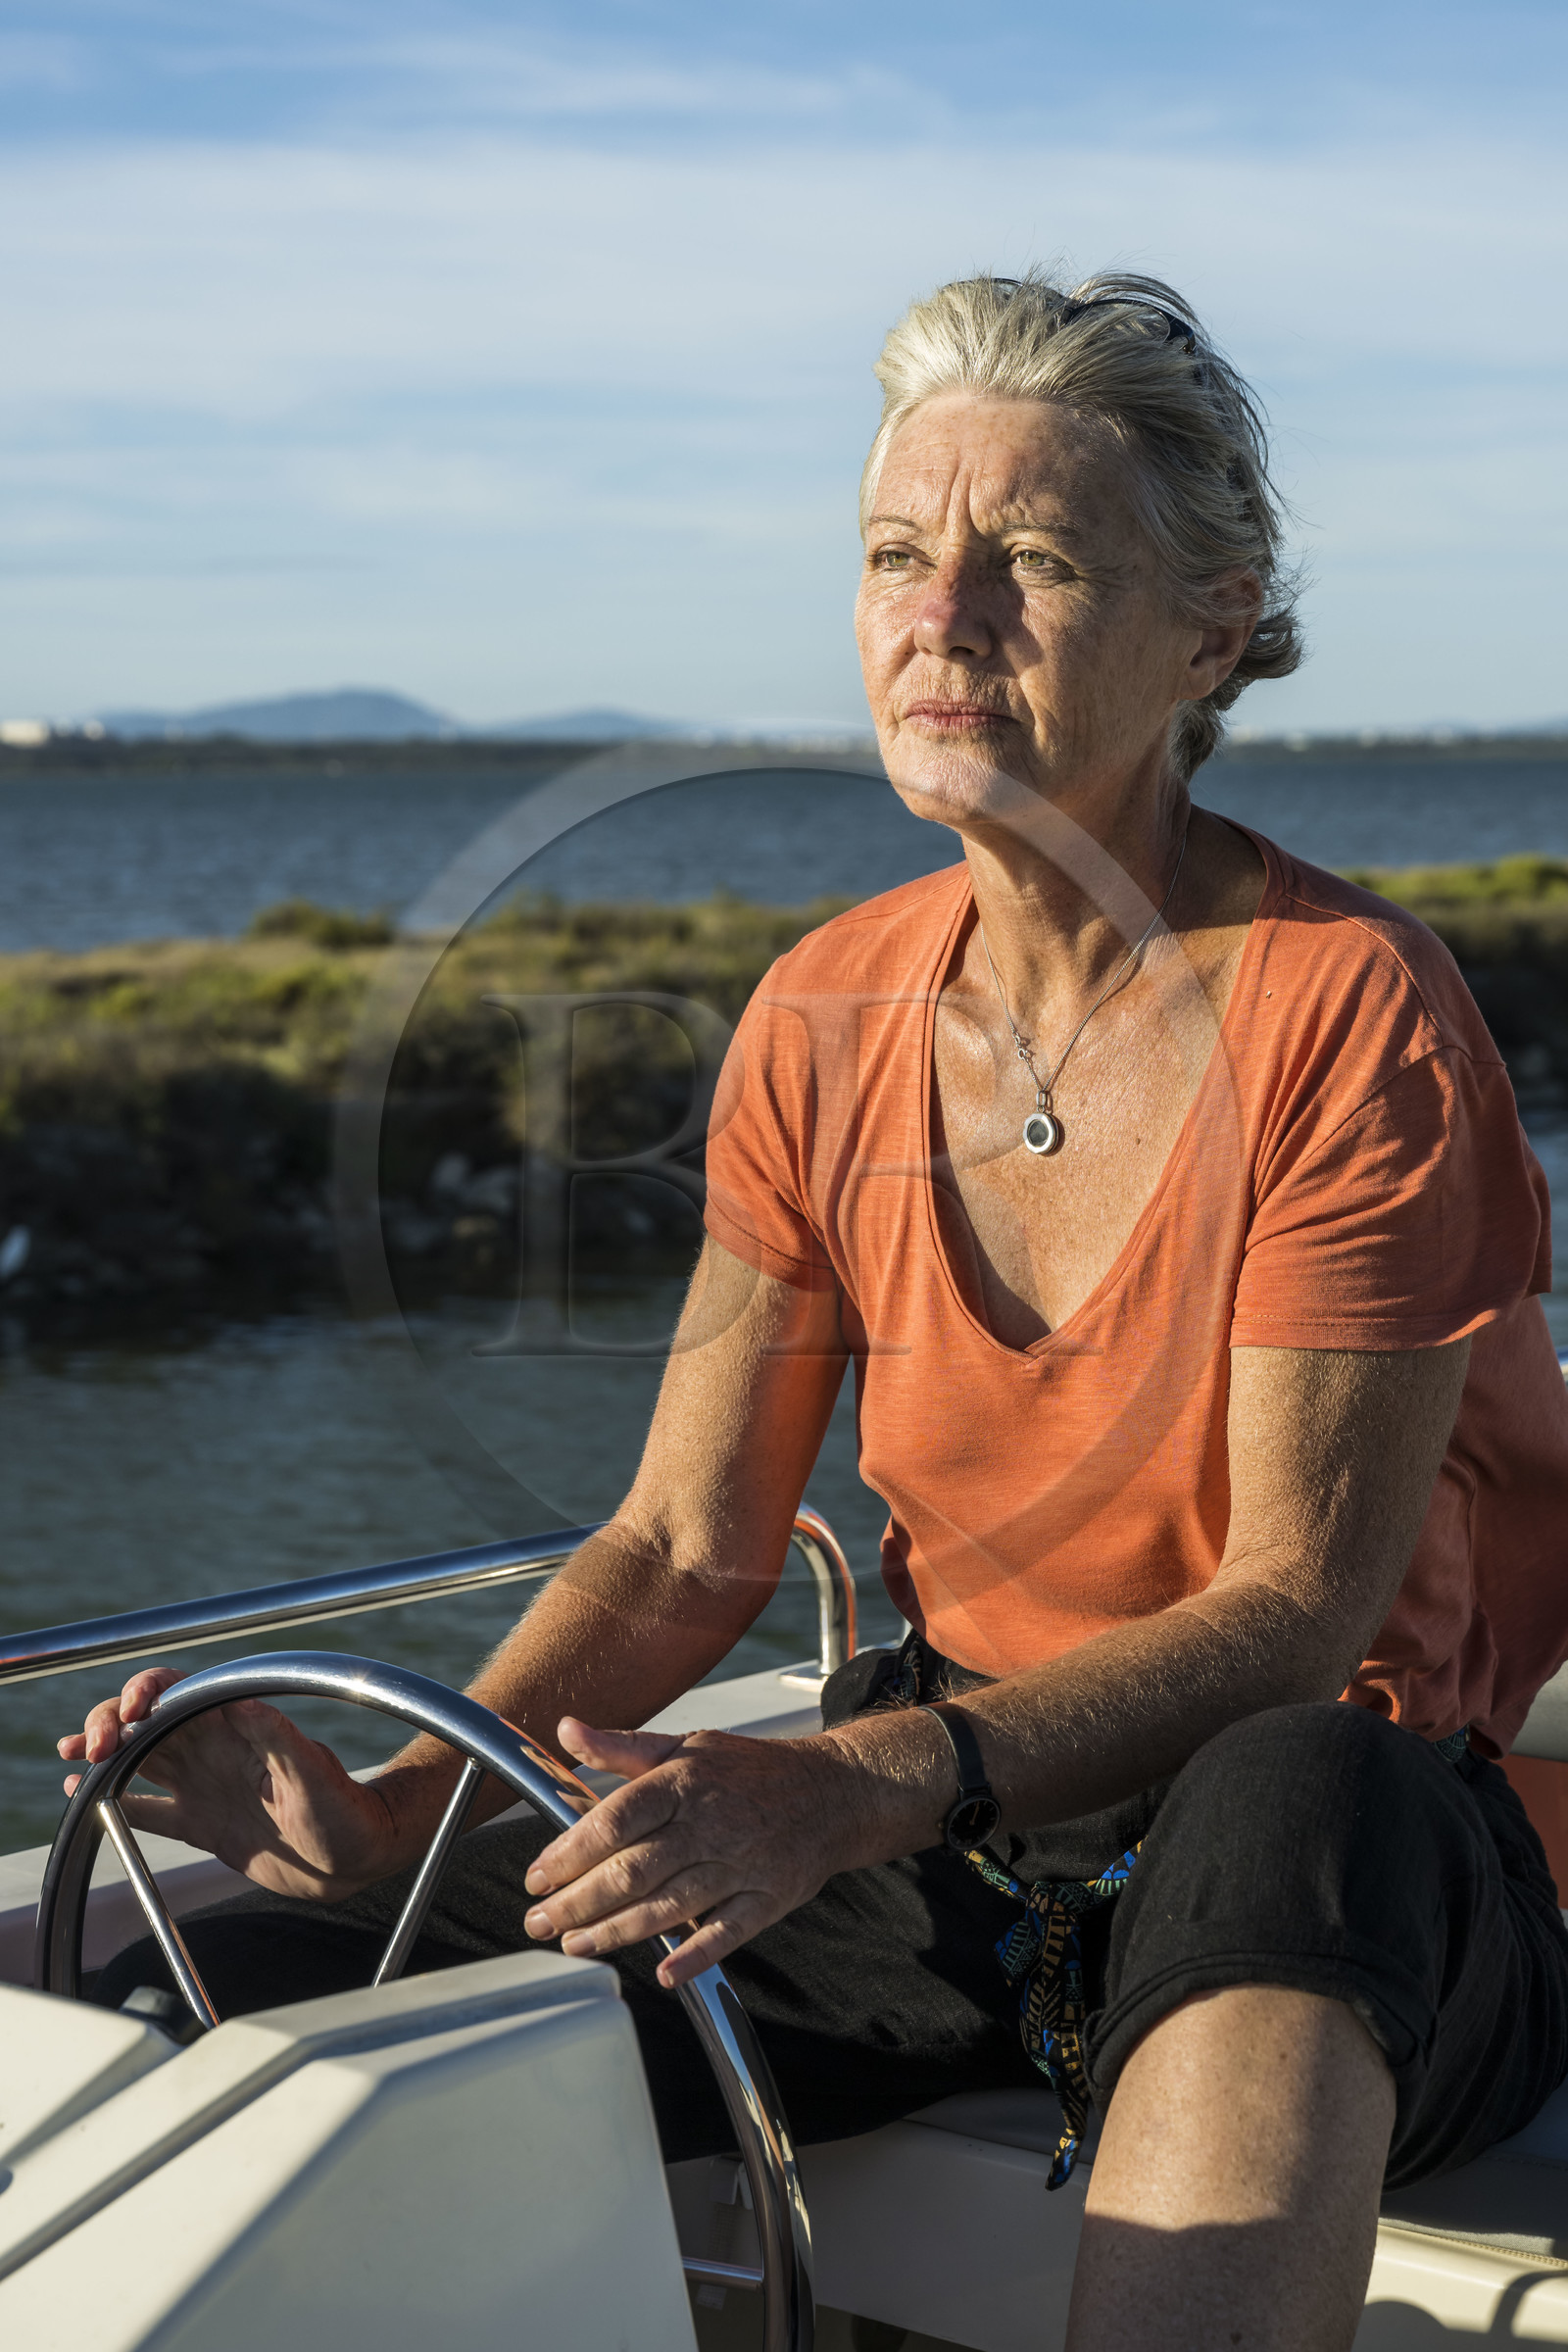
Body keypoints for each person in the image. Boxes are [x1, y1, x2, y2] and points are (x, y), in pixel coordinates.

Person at [67, 271, 1568, 2352]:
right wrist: (402, 1810)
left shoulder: (1344, 1010)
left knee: (1285, 1776)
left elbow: (1292, 1609)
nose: (935, 616)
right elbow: (685, 1544)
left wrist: (859, 1782)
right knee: (193, 2005)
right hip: (962, 1848)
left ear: (1207, 630)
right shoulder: (820, 1014)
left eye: (1027, 561)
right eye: (890, 555)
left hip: (1351, 1874)